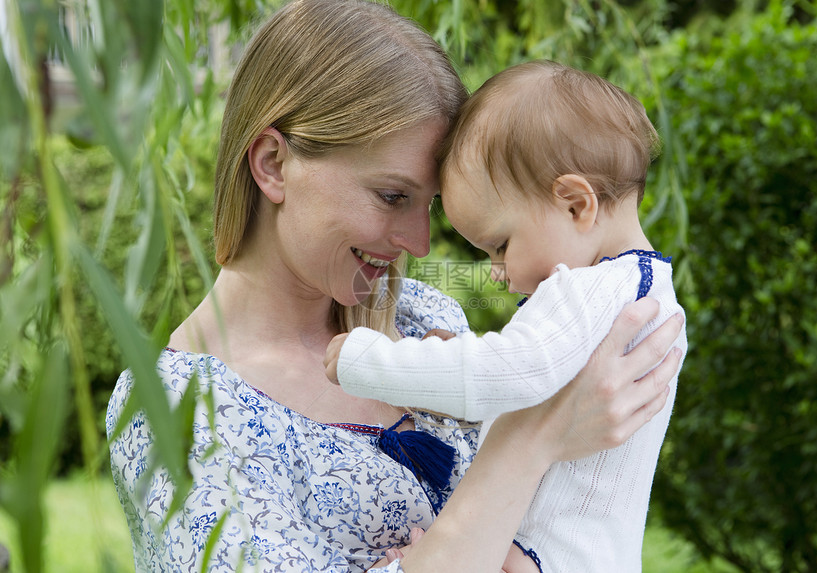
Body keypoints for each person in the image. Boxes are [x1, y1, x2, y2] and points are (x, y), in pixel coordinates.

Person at [106, 2, 684, 572]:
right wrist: (534, 439)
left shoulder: (421, 318)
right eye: (392, 196)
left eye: (428, 204)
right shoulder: (173, 411)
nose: (420, 241)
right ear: (273, 164)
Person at [325, 60, 688, 573]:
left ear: (575, 205)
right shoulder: (647, 292)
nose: (498, 272)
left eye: (500, 245)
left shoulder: (588, 291)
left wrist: (368, 360)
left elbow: (508, 374)